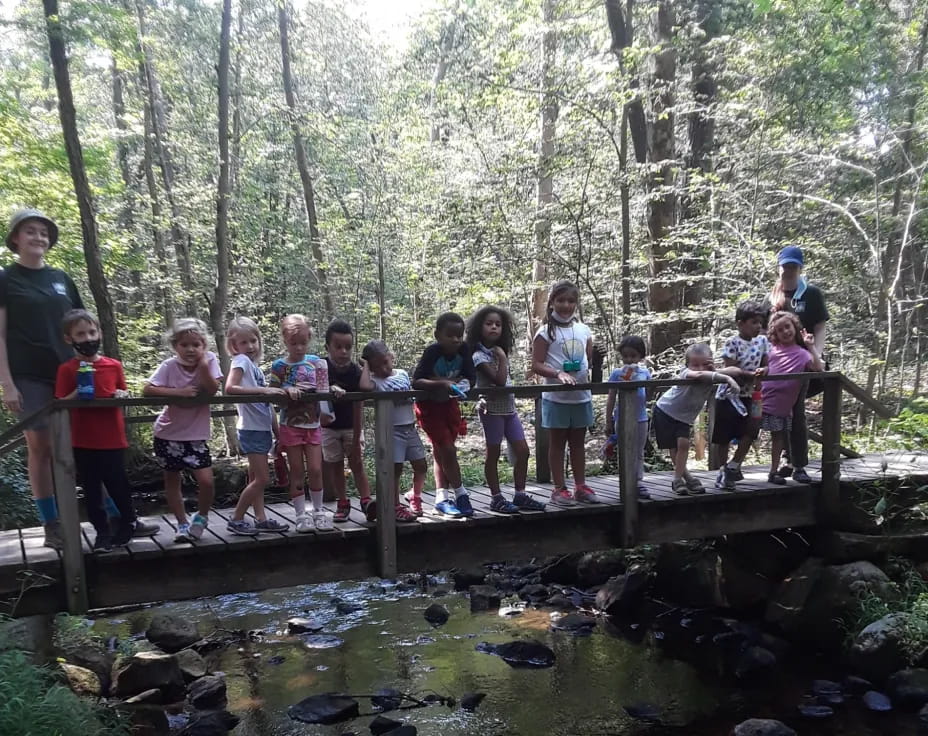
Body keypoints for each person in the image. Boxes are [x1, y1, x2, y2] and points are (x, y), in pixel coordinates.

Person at [0, 210, 84, 548]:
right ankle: (51, 524)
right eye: (30, 231)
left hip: (68, 372)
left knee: (85, 443)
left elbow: (82, 327)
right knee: (41, 447)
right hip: (28, 375)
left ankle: (113, 513)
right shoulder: (6, 279)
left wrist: (95, 369)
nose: (38, 237)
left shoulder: (62, 278)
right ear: (16, 239)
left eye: (43, 232)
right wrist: (7, 383)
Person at [54, 309, 143, 550]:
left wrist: (122, 395)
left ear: (99, 333)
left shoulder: (113, 366)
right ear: (69, 339)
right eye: (80, 334)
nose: (88, 338)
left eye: (92, 332)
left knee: (118, 484)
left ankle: (128, 522)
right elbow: (60, 403)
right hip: (83, 440)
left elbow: (122, 393)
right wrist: (81, 390)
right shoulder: (67, 369)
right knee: (91, 490)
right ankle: (101, 532)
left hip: (113, 438)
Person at [143, 318, 222, 542]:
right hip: (168, 434)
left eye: (196, 345)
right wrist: (179, 393)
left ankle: (201, 517)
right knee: (172, 479)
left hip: (196, 435)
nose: (190, 349)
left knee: (206, 481)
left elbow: (213, 389)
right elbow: (148, 390)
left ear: (204, 346)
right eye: (184, 344)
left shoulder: (210, 361)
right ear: (175, 345)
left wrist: (204, 366)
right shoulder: (169, 366)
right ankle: (181, 524)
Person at [466, 306, 545, 514]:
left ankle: (520, 494)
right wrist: (502, 358)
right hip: (491, 410)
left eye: (498, 324)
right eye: (489, 323)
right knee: (493, 453)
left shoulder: (498, 352)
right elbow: (500, 381)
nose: (493, 327)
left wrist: (501, 355)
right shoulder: (478, 356)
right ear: (479, 327)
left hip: (509, 409)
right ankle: (496, 497)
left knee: (523, 451)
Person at [531, 280, 597, 506]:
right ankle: (559, 488)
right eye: (561, 300)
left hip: (581, 396)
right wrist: (558, 373)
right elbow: (537, 364)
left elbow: (587, 359)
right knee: (557, 443)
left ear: (576, 304)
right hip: (556, 397)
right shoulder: (545, 331)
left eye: (570, 301)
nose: (566, 305)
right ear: (552, 303)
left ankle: (581, 486)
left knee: (578, 443)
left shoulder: (583, 330)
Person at [767, 245, 829, 483]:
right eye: (785, 266)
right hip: (778, 365)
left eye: (793, 266)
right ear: (779, 267)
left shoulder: (811, 293)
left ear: (800, 268)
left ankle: (800, 464)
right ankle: (787, 459)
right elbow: (766, 331)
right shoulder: (773, 296)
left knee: (797, 411)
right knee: (778, 412)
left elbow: (820, 325)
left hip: (802, 362)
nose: (789, 271)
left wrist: (817, 354)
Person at [223, 316, 290, 535]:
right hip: (251, 429)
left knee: (255, 478)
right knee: (262, 478)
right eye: (244, 342)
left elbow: (266, 404)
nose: (250, 346)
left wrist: (277, 431)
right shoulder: (240, 361)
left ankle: (260, 518)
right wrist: (264, 390)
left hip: (261, 428)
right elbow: (230, 388)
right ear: (234, 345)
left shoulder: (254, 367)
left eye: (253, 340)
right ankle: (236, 518)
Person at [268, 314, 333, 533]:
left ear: (309, 340)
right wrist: (286, 390)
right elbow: (272, 393)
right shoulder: (279, 366)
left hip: (313, 424)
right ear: (285, 341)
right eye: (293, 343)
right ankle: (300, 514)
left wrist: (334, 390)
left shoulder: (316, 362)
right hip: (290, 425)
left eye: (303, 342)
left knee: (315, 468)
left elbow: (323, 388)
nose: (299, 347)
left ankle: (319, 511)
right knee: (296, 469)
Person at [653, 343, 742, 496]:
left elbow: (735, 370)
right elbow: (700, 375)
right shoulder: (685, 372)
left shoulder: (711, 375)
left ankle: (679, 479)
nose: (700, 368)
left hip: (683, 418)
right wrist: (727, 379)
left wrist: (716, 371)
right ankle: (683, 478)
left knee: (683, 444)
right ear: (687, 364)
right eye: (695, 364)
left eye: (704, 364)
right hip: (665, 411)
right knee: (675, 447)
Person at [412, 312, 476, 518]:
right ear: (438, 335)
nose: (456, 340)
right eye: (450, 335)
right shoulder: (432, 352)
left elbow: (470, 376)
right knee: (447, 449)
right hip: (429, 408)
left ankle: (441, 499)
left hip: (449, 405)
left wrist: (463, 384)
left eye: (459, 335)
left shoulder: (464, 350)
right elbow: (418, 380)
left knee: (442, 452)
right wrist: (444, 382)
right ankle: (461, 493)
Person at [362, 339, 424, 523]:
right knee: (395, 469)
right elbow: (364, 387)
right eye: (377, 365)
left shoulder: (403, 374)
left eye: (385, 361)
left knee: (421, 465)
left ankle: (415, 495)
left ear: (391, 357)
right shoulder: (374, 381)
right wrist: (365, 366)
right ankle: (394, 505)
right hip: (392, 431)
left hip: (410, 428)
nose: (384, 368)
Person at [712, 301, 770, 491]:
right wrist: (747, 374)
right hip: (730, 396)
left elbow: (766, 364)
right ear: (740, 323)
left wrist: (763, 371)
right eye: (753, 322)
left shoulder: (762, 341)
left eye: (760, 322)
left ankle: (734, 465)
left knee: (753, 429)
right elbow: (730, 369)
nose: (758, 326)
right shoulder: (732, 343)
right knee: (724, 436)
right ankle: (722, 471)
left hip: (754, 395)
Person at [322, 319, 375, 523]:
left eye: (348, 347)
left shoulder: (355, 371)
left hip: (350, 425)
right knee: (335, 465)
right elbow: (312, 388)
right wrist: (329, 389)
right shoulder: (321, 368)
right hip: (328, 427)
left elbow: (361, 398)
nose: (343, 351)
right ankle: (342, 502)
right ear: (328, 347)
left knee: (357, 463)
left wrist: (357, 433)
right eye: (338, 347)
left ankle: (366, 500)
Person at [761, 311, 823, 485]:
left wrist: (810, 346)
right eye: (780, 330)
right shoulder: (771, 351)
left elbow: (818, 368)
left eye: (787, 327)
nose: (785, 332)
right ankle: (732, 468)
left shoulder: (802, 353)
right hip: (763, 400)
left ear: (794, 327)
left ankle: (777, 471)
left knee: (780, 435)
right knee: (749, 433)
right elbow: (765, 367)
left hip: (784, 406)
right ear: (775, 334)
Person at [604, 335, 652, 499]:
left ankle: (638, 482)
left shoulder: (645, 372)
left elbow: (648, 393)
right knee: (625, 450)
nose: (629, 359)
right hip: (622, 419)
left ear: (640, 356)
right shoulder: (617, 373)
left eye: (633, 356)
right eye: (625, 356)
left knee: (638, 451)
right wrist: (608, 419)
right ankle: (625, 481)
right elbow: (611, 397)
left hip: (641, 418)